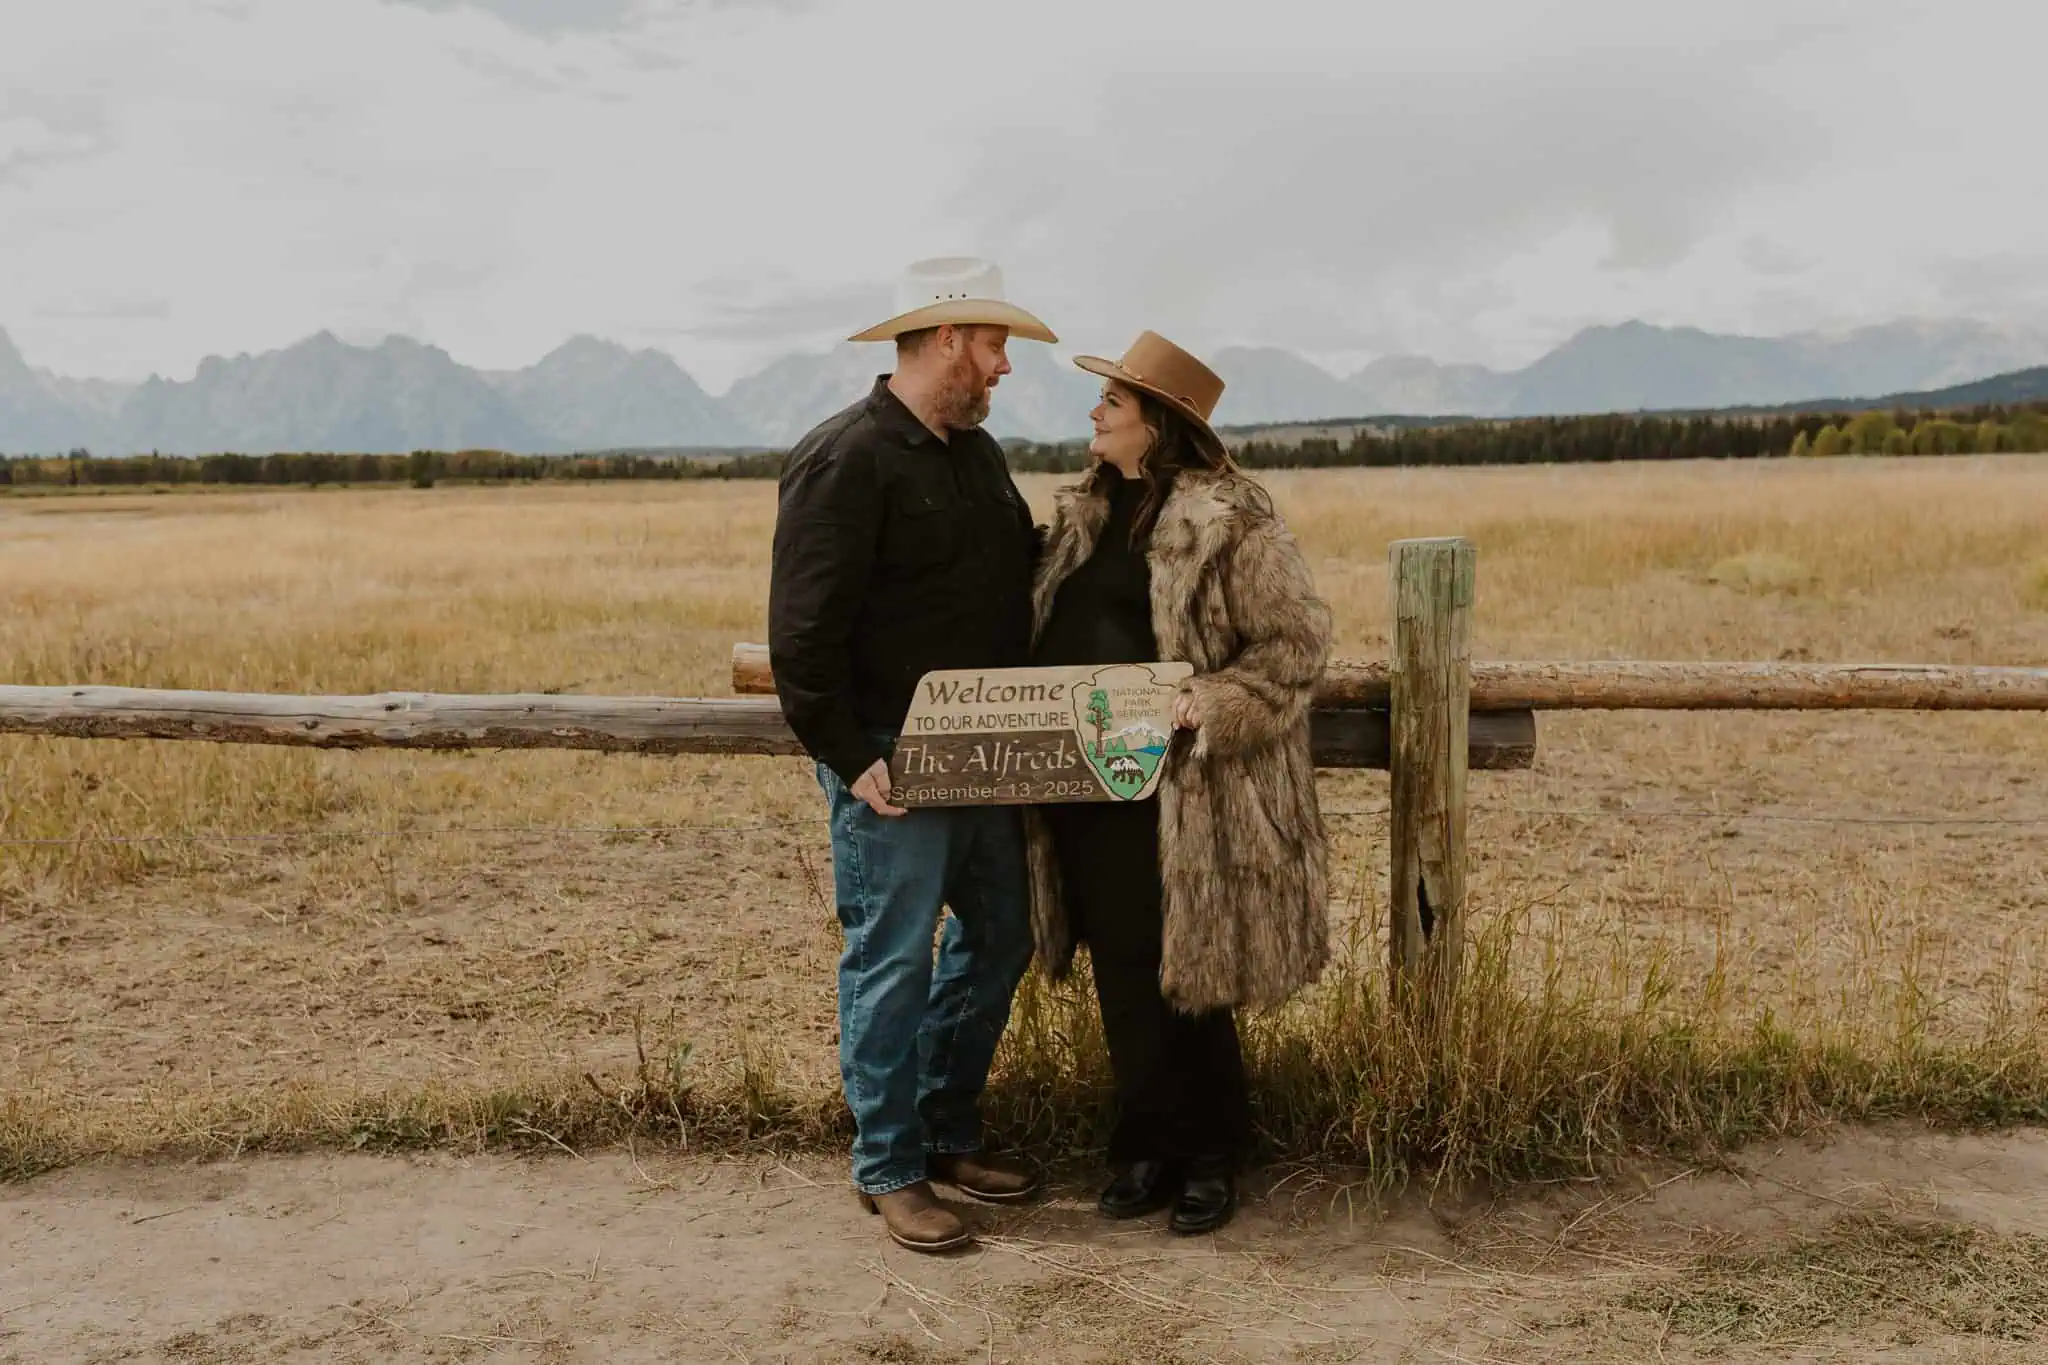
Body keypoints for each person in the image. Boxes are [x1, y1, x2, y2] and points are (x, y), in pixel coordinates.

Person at [768, 257, 1056, 1254]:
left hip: (984, 747)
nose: (1004, 367)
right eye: (993, 344)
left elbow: (1017, 571)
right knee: (891, 959)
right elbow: (800, 637)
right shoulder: (844, 459)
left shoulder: (974, 456)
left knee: (1001, 935)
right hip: (891, 755)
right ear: (945, 341)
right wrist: (851, 758)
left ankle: (943, 1129)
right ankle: (888, 1164)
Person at [1023, 330, 1333, 1235]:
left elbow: (1296, 644)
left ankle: (1209, 1153)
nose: (1095, 414)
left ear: (1155, 425)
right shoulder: (1081, 520)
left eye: (1112, 405)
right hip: (1091, 785)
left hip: (1186, 791)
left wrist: (1211, 698)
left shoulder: (1231, 523)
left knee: (1188, 973)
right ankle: (1144, 1141)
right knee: (1122, 967)